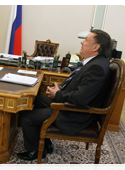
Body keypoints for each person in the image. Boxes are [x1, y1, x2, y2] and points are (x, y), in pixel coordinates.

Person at [17, 29, 112, 160]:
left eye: (86, 40)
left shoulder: (97, 68)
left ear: (96, 47)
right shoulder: (96, 62)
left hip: (74, 113)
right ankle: (46, 143)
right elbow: (83, 89)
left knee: (28, 116)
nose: (82, 42)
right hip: (69, 104)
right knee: (32, 101)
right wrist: (60, 90)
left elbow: (81, 99)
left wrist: (58, 95)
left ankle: (34, 151)